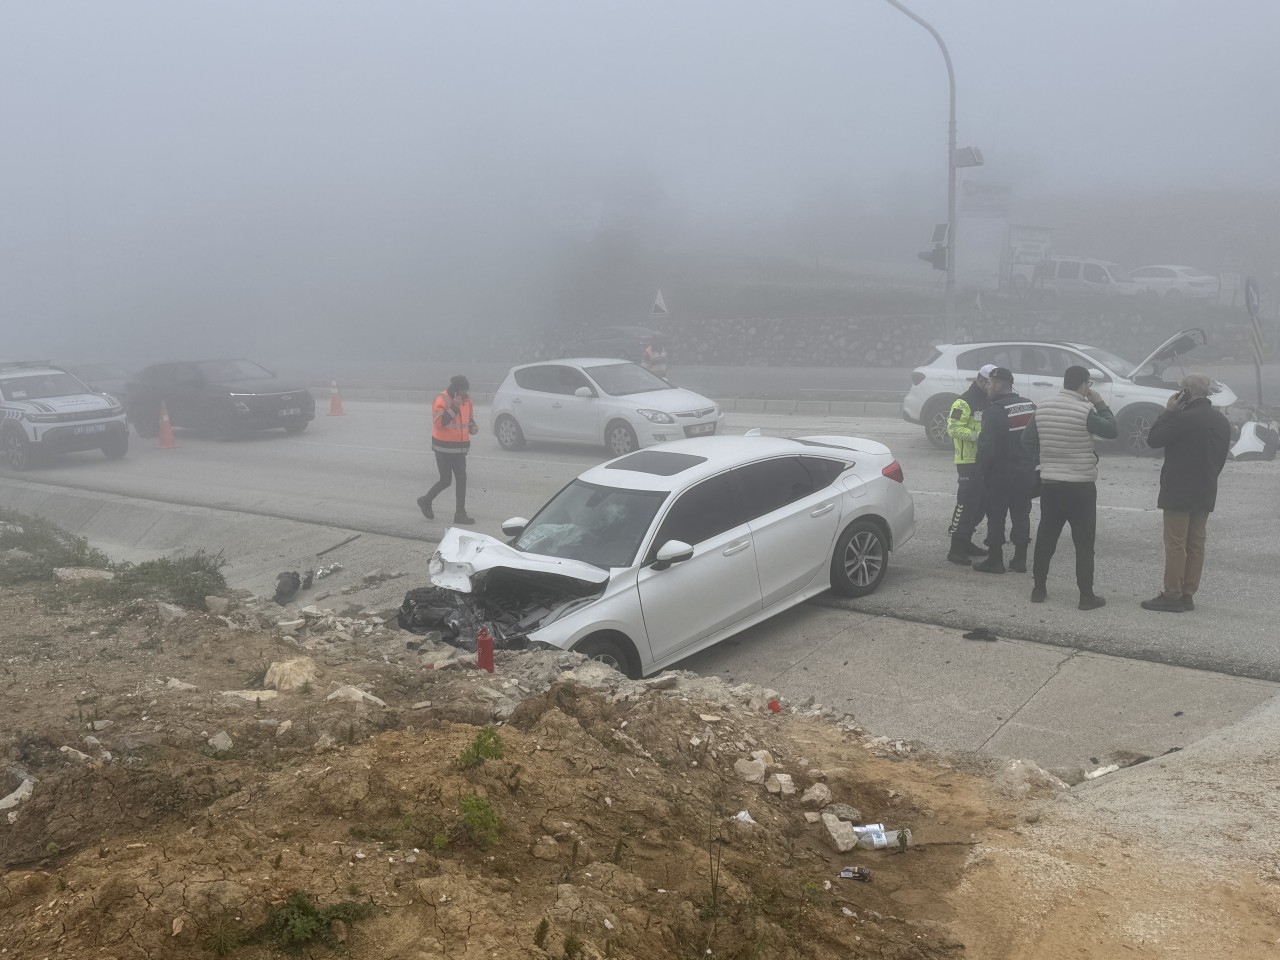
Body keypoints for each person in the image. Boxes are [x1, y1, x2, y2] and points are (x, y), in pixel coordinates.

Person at [1022, 365, 1117, 610]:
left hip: (1051, 484)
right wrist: (1100, 403)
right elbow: (1111, 429)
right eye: (1089, 385)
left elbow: (1027, 440)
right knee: (1084, 542)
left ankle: (1039, 589)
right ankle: (1086, 596)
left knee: (1046, 537)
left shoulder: (1042, 407)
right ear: (1085, 385)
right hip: (1081, 486)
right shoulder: (1085, 409)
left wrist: (1042, 462)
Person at [1139, 374, 1230, 612]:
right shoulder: (1221, 420)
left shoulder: (1182, 418)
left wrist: (1169, 411)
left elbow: (1154, 439)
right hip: (1206, 487)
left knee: (1176, 544)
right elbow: (1221, 457)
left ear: (1186, 392)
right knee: (1196, 544)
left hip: (1178, 490)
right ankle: (1188, 593)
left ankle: (1172, 595)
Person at [973, 367, 1037, 574]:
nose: (988, 387)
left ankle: (995, 559)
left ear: (999, 385)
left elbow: (987, 447)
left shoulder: (995, 411)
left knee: (996, 516)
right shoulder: (1029, 405)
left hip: (1000, 476)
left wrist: (980, 471)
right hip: (1026, 474)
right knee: (1021, 514)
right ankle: (1020, 559)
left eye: (990, 383)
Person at [945, 363, 995, 563]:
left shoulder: (988, 401)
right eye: (991, 383)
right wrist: (980, 436)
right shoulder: (963, 402)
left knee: (981, 504)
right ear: (982, 381)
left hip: (984, 460)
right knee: (966, 503)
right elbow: (954, 429)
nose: (994, 387)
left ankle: (966, 540)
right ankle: (955, 547)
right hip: (968, 461)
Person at [417, 375, 478, 524]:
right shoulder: (442, 400)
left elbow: (468, 417)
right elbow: (440, 423)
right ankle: (425, 501)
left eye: (466, 391)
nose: (465, 394)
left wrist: (472, 426)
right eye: (463, 391)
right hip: (443, 448)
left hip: (460, 449)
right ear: (456, 391)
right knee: (445, 480)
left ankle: (460, 514)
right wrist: (454, 407)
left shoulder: (467, 400)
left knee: (462, 480)